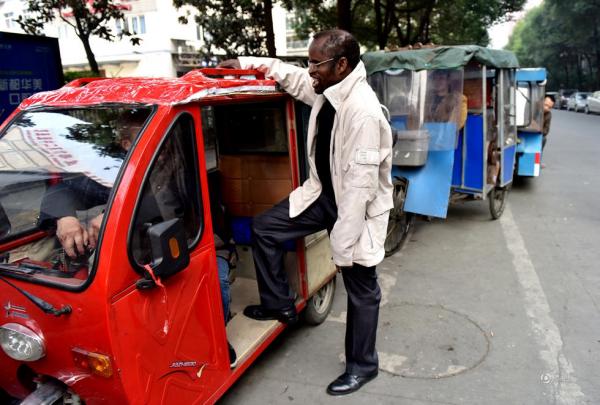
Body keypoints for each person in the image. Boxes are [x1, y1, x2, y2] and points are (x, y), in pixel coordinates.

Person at [218, 29, 393, 396]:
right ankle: (280, 305)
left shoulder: (362, 112)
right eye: (310, 61)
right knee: (265, 227)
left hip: (354, 210)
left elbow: (359, 193)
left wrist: (342, 251)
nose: (309, 69)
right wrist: (248, 64)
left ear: (341, 65)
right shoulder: (328, 88)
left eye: (316, 63)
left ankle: (363, 366)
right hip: (325, 196)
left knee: (361, 288)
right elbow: (293, 77)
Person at [38, 110, 145, 258]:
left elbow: (172, 198)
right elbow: (63, 190)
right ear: (126, 145)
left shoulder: (179, 160)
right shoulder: (115, 168)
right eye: (147, 139)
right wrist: (65, 217)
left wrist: (113, 215)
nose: (161, 145)